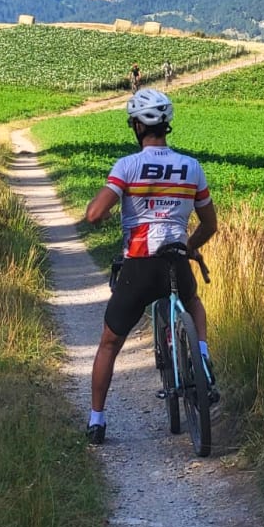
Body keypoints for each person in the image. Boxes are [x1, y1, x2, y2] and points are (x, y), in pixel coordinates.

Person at [84, 88, 218, 445]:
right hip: (175, 260)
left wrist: (112, 207)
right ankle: (202, 359)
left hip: (140, 267)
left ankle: (97, 420)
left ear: (136, 127)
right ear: (166, 126)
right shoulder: (191, 167)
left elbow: (94, 214)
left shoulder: (127, 166)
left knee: (109, 343)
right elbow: (209, 224)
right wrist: (189, 248)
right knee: (192, 303)